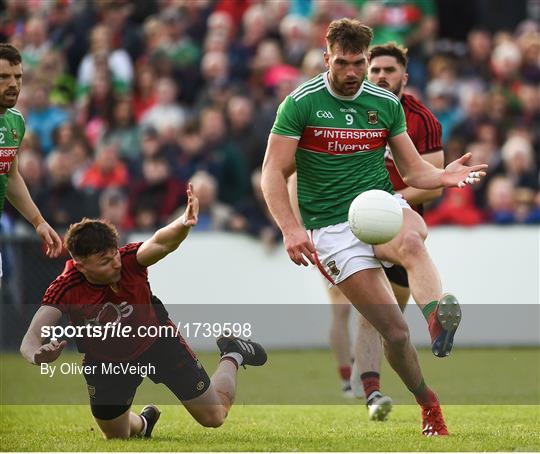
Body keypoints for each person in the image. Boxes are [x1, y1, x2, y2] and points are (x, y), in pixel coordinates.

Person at [261, 18, 487, 436]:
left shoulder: (385, 104)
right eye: (343, 63)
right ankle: (428, 403)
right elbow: (272, 172)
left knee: (414, 240)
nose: (352, 73)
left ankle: (437, 317)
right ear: (327, 58)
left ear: (368, 59)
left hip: (378, 207)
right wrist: (290, 229)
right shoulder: (300, 103)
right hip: (330, 229)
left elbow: (414, 170)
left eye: (359, 64)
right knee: (396, 334)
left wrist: (443, 177)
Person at [20, 184, 267, 439]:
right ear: (80, 266)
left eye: (114, 253)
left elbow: (162, 241)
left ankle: (233, 353)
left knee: (213, 417)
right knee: (117, 436)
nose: (115, 263)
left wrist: (183, 222)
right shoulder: (65, 288)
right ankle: (145, 423)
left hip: (157, 342)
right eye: (104, 262)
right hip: (106, 362)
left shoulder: (129, 261)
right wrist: (37, 355)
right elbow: (29, 340)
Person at [350, 42, 458, 421]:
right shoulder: (343, 111)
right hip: (347, 224)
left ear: (404, 77)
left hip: (393, 221)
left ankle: (436, 321)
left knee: (391, 324)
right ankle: (372, 392)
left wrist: (387, 201)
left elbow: (430, 184)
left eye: (389, 71)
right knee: (368, 314)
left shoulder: (421, 119)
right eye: (375, 69)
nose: (380, 76)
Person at [0, 43, 62, 277]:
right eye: (4, 77)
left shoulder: (16, 121)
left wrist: (38, 222)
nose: (13, 84)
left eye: (18, 77)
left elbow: (11, 176)